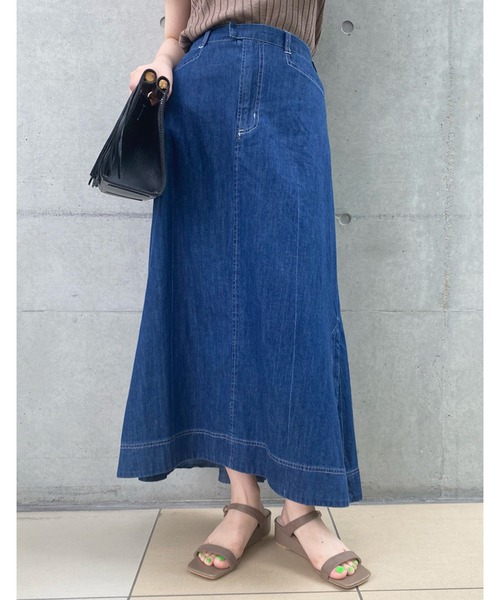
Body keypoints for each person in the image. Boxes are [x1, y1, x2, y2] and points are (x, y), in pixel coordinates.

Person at [116, 0, 371, 590]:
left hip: (289, 79)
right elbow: (177, 28)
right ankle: (244, 503)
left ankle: (301, 509)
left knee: (298, 297)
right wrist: (162, 60)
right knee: (211, 299)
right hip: (199, 89)